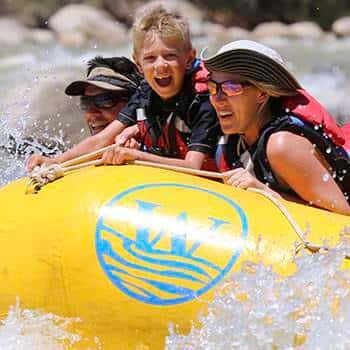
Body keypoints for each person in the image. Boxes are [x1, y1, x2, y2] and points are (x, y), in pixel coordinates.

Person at [27, 4, 220, 172]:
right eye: (150, 58)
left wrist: (136, 157)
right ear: (138, 64)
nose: (161, 65)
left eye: (169, 56)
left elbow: (193, 166)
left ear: (189, 59)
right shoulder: (145, 93)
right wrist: (56, 161)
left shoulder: (203, 100)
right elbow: (103, 139)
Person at [201, 39, 350, 215]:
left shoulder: (282, 145)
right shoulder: (232, 140)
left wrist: (265, 193)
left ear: (262, 93)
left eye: (231, 88)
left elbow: (343, 217)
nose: (218, 99)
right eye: (212, 87)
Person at [26, 56, 141, 169]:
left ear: (133, 103)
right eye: (85, 102)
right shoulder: (81, 158)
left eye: (104, 101)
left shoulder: (153, 128)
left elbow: (100, 140)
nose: (91, 113)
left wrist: (57, 161)